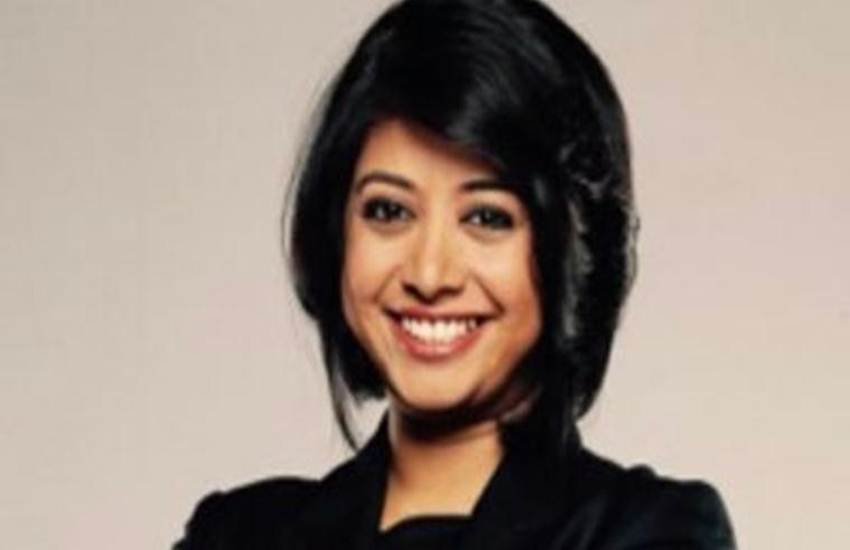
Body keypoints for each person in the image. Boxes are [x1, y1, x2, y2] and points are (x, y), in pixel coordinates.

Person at [174, 0, 737, 548]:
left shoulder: (652, 530)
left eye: (487, 218)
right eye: (389, 211)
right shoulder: (237, 534)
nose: (429, 273)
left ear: (571, 247)